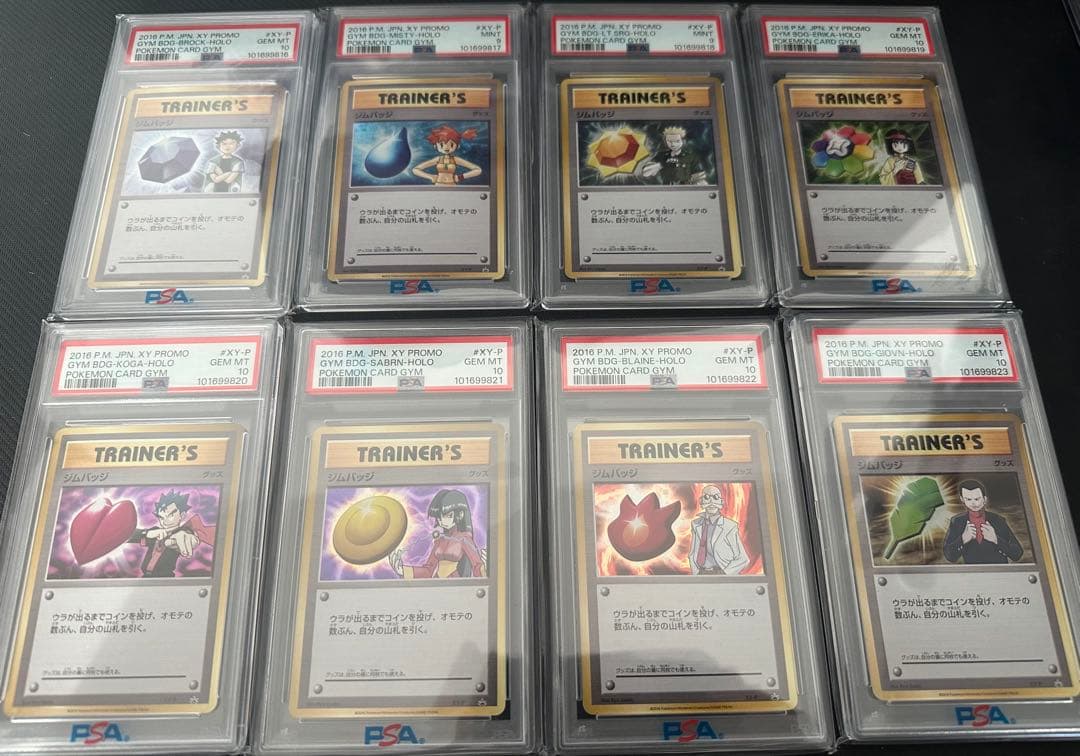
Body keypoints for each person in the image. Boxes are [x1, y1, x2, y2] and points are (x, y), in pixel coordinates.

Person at [389, 489, 486, 578]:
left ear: (460, 515)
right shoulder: (440, 540)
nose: (441, 521)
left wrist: (485, 569)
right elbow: (428, 570)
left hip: (454, 581)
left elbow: (477, 565)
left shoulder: (464, 539)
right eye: (439, 517)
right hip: (437, 580)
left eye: (448, 516)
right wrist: (403, 571)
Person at [129, 490, 215, 577]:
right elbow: (128, 535)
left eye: (170, 515)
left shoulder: (183, 531)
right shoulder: (156, 531)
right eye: (161, 517)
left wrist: (189, 538)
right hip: (146, 578)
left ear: (182, 515)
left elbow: (189, 536)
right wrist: (146, 533)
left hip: (166, 578)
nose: (164, 521)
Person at [943, 479, 1024, 564]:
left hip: (999, 570)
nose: (973, 503)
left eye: (977, 499)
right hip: (973, 571)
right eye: (968, 499)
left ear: (984, 499)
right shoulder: (957, 521)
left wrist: (996, 539)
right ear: (962, 499)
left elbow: (1017, 554)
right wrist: (963, 539)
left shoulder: (998, 520)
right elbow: (949, 556)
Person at [688, 484, 749, 575]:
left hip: (722, 573)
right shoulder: (696, 524)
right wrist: (696, 574)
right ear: (701, 501)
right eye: (707, 497)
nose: (711, 501)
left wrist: (724, 574)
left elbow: (743, 559)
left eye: (715, 497)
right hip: (702, 573)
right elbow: (693, 553)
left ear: (721, 502)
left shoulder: (729, 526)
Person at [636, 125, 709, 185]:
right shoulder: (661, 155)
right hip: (667, 190)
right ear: (666, 141)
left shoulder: (691, 156)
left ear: (683, 141)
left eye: (677, 141)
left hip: (685, 189)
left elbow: (700, 178)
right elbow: (646, 173)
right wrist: (662, 164)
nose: (673, 144)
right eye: (669, 141)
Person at [411, 125, 483, 185]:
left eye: (451, 145)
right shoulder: (438, 159)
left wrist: (460, 177)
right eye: (442, 145)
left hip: (452, 185)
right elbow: (415, 170)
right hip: (438, 185)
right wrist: (430, 177)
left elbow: (478, 170)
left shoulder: (455, 159)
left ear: (457, 146)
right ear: (435, 146)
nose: (446, 148)